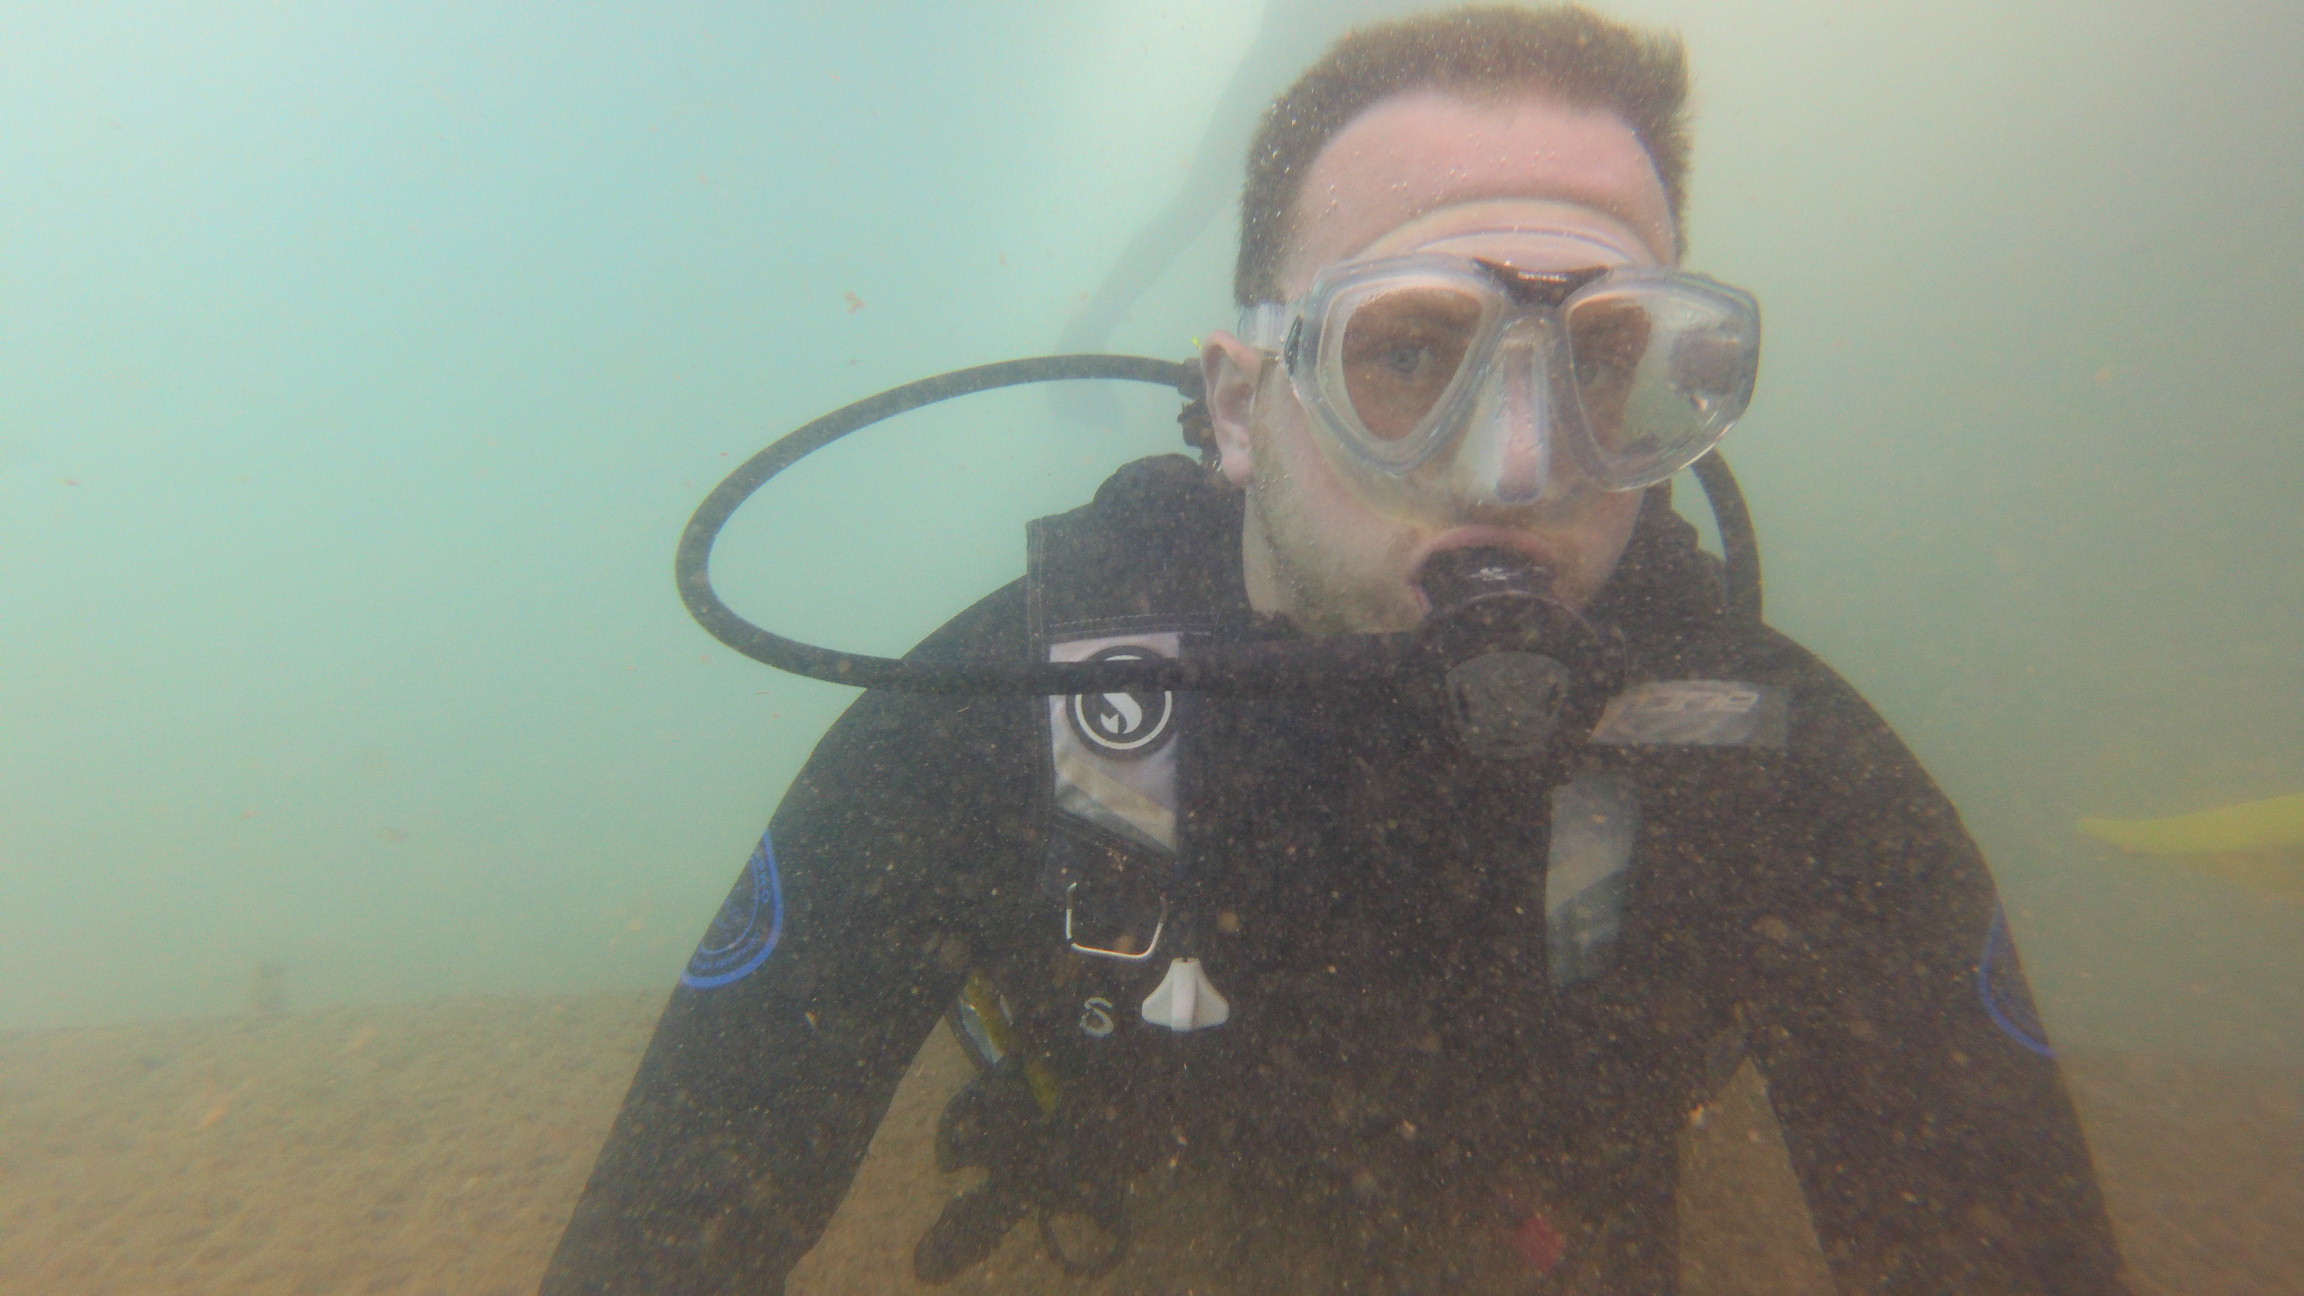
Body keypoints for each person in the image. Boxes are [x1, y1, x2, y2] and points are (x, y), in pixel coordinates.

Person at [544, 7, 2132, 1294]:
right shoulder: (1003, 715)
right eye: (1412, 350)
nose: (1521, 463)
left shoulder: (1778, 764)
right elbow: (662, 1239)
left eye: (1607, 360)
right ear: (1242, 406)